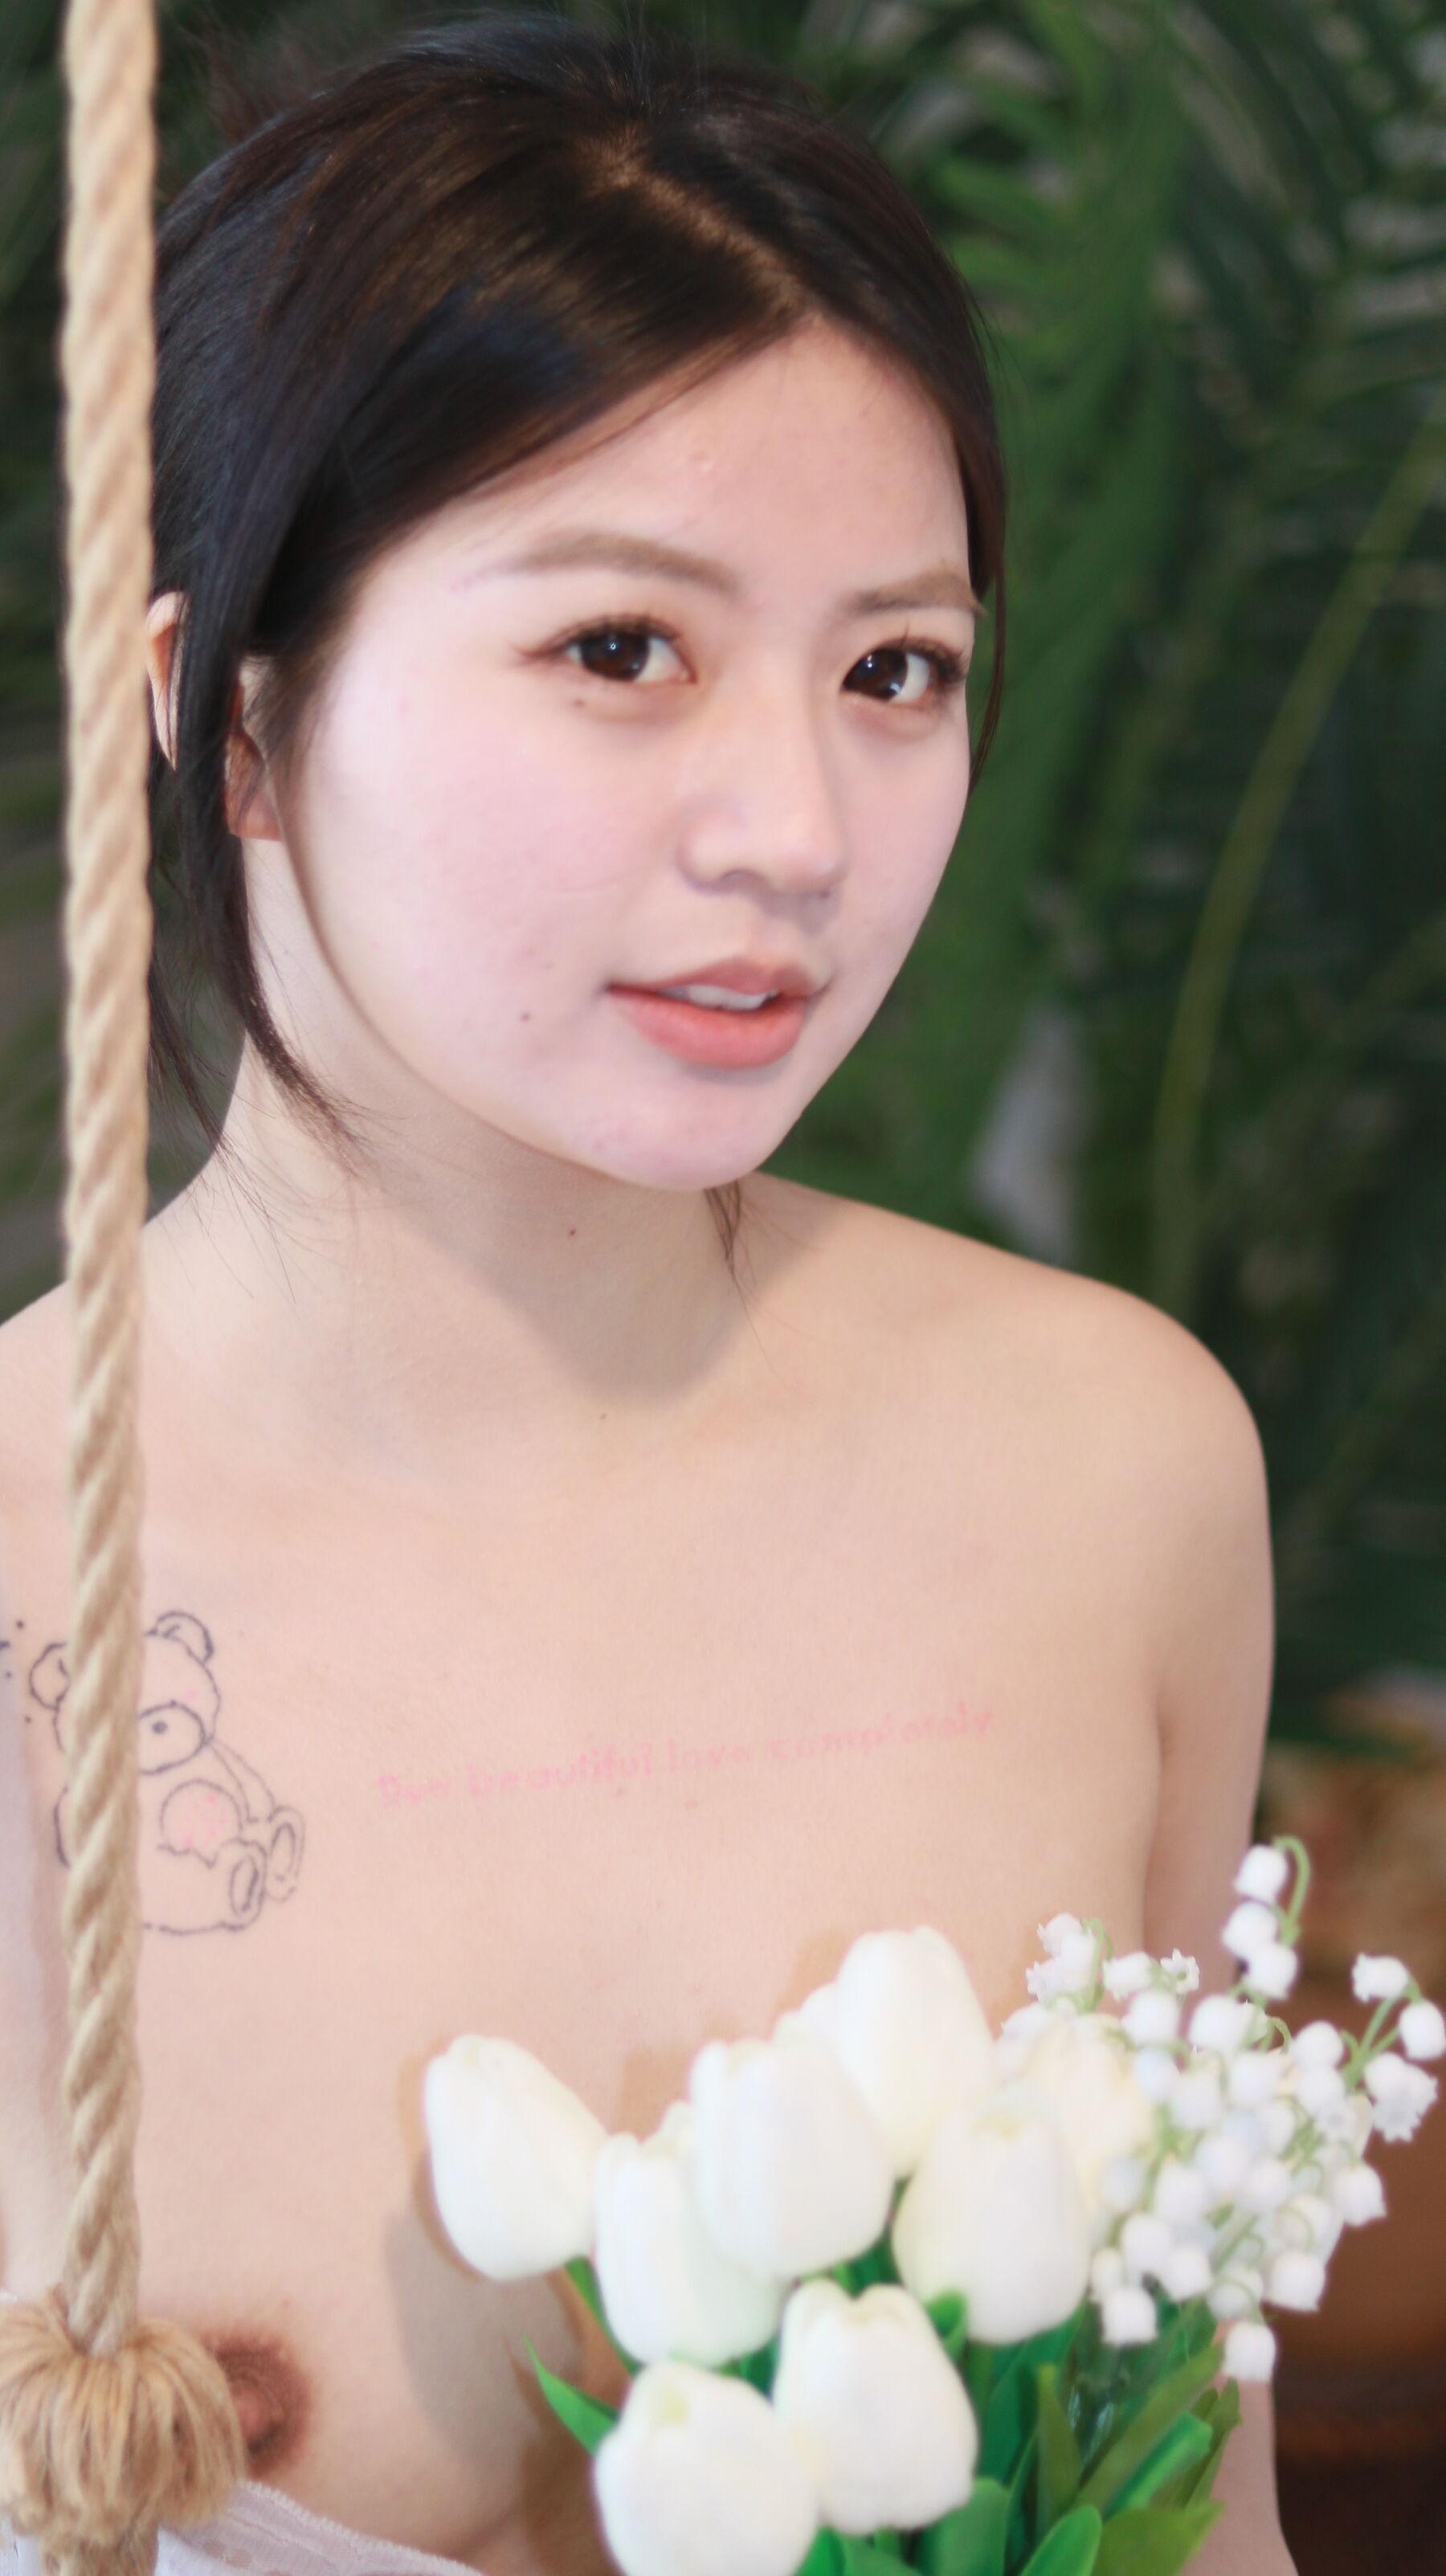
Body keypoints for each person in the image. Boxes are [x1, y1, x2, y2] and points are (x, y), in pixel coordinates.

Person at [0, 13, 1294, 2574]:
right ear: (226, 718)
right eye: (623, 648)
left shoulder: (1113, 1476)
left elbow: (1210, 2516)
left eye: (896, 669)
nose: (797, 830)